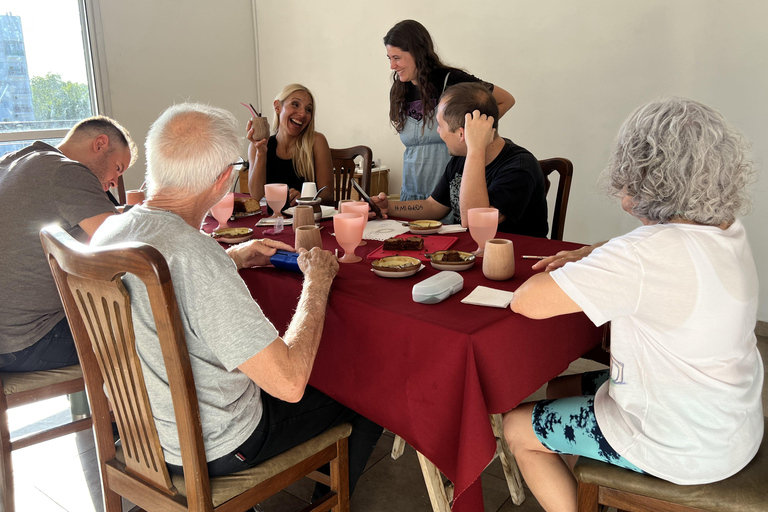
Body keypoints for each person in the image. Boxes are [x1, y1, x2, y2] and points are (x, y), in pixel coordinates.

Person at [91, 103, 382, 498]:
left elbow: (164, 282)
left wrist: (232, 257)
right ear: (225, 179)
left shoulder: (112, 229)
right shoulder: (194, 256)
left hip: (139, 433)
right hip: (213, 447)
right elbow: (290, 382)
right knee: (367, 395)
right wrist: (316, 282)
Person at [501, 98, 763, 512]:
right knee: (562, 387)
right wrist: (592, 252)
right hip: (727, 424)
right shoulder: (726, 228)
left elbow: (529, 301)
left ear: (639, 174)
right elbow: (657, 256)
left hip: (677, 444)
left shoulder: (645, 254)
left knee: (516, 427)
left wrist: (589, 260)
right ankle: (595, 492)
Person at [0, 116, 137, 372]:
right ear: (100, 144)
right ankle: (136, 412)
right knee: (158, 329)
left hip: (8, 339)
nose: (114, 183)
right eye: (118, 168)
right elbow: (121, 247)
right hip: (30, 340)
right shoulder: (67, 172)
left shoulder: (17, 161)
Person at [372, 82, 548, 236]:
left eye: (440, 126)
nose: (438, 132)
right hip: (471, 255)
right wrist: (389, 207)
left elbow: (474, 223)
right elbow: (434, 206)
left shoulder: (519, 167)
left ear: (462, 134)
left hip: (513, 262)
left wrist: (475, 149)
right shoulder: (460, 159)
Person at [384, 19, 516, 205]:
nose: (392, 66)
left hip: (446, 199)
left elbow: (506, 100)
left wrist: (474, 132)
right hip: (412, 196)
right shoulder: (400, 89)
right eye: (389, 58)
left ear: (418, 53)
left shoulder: (452, 80)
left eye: (397, 58)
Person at [246, 83, 334, 208]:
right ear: (277, 107)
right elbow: (256, 195)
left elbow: (328, 196)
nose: (302, 114)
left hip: (307, 222)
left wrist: (304, 200)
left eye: (308, 110)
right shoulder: (258, 147)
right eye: (295, 104)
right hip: (275, 222)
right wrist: (261, 153)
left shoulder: (317, 141)